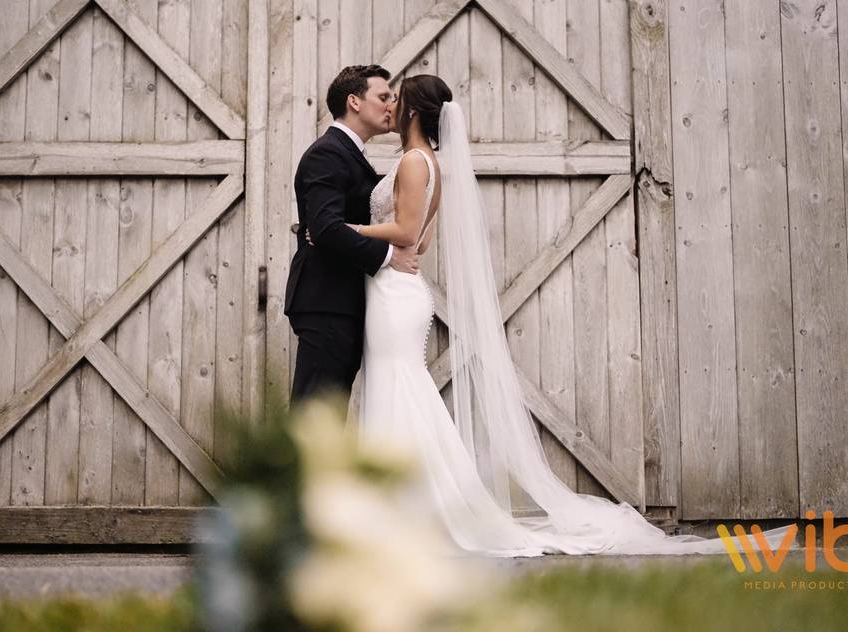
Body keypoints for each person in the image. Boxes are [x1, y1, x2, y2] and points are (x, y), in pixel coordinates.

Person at [308, 73, 795, 556]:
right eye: (383, 97)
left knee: (398, 385)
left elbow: (407, 231)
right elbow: (423, 239)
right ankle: (408, 505)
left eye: (397, 100)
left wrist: (346, 227)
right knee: (400, 385)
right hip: (396, 287)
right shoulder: (432, 163)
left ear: (413, 112)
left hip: (394, 291)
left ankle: (407, 510)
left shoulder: (414, 162)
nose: (389, 106)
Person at [285, 65, 421, 406]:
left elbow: (330, 226)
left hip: (345, 303)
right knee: (314, 416)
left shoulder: (350, 155)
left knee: (328, 416)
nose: (391, 105)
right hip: (327, 302)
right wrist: (391, 256)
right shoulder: (328, 153)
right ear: (354, 102)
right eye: (383, 96)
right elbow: (327, 228)